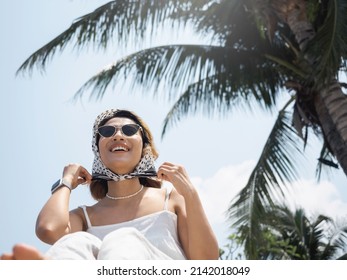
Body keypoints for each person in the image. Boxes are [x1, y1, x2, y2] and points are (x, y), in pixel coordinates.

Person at [1, 109, 219, 260]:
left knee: (123, 239)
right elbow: (48, 230)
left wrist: (190, 193)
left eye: (129, 130)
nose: (117, 135)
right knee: (74, 244)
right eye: (107, 132)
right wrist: (66, 181)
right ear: (98, 150)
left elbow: (207, 262)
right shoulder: (84, 217)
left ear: (144, 146)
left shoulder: (171, 197)